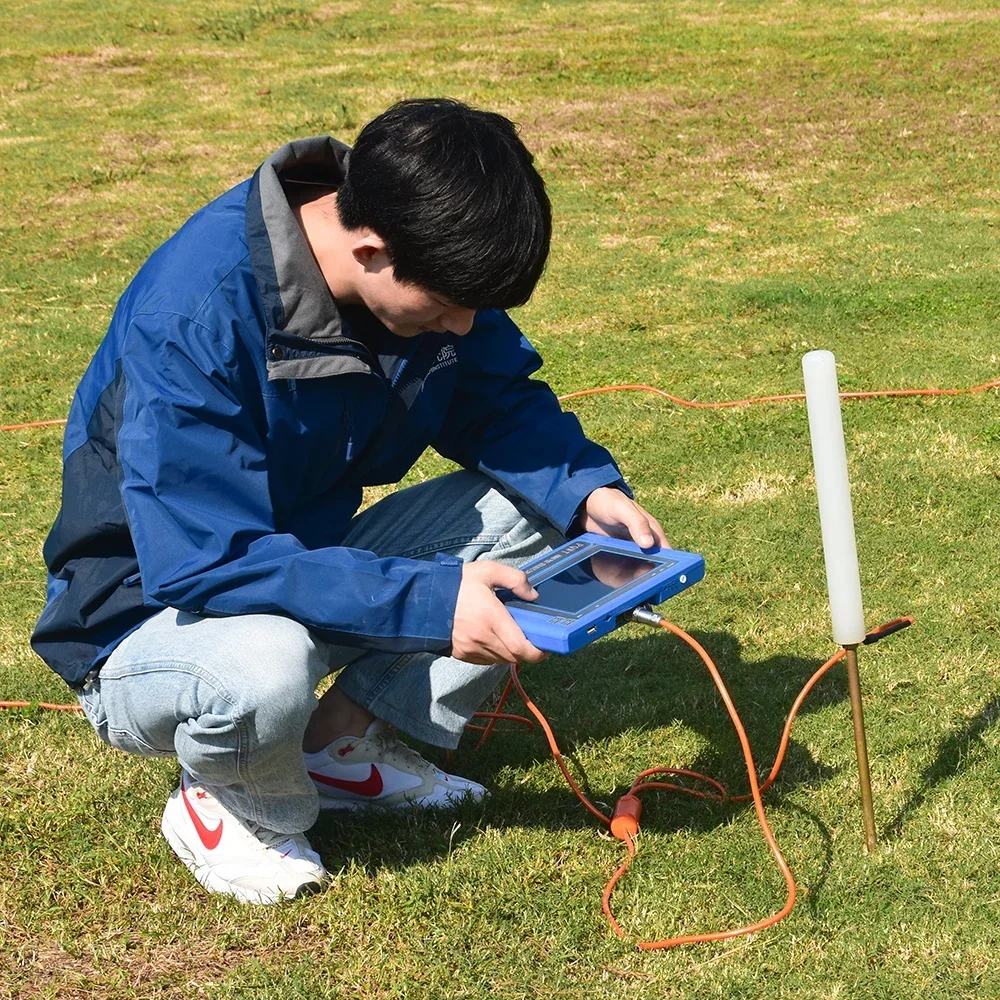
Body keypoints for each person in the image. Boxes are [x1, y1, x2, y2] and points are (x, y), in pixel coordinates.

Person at [32, 98, 667, 904]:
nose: (465, 326)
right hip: (146, 616)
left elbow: (495, 397)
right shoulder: (193, 314)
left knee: (542, 516)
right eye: (444, 309)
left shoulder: (420, 235)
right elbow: (200, 560)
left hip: (293, 565)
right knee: (266, 665)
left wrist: (586, 492)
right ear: (369, 250)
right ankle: (232, 800)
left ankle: (339, 750)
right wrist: (433, 602)